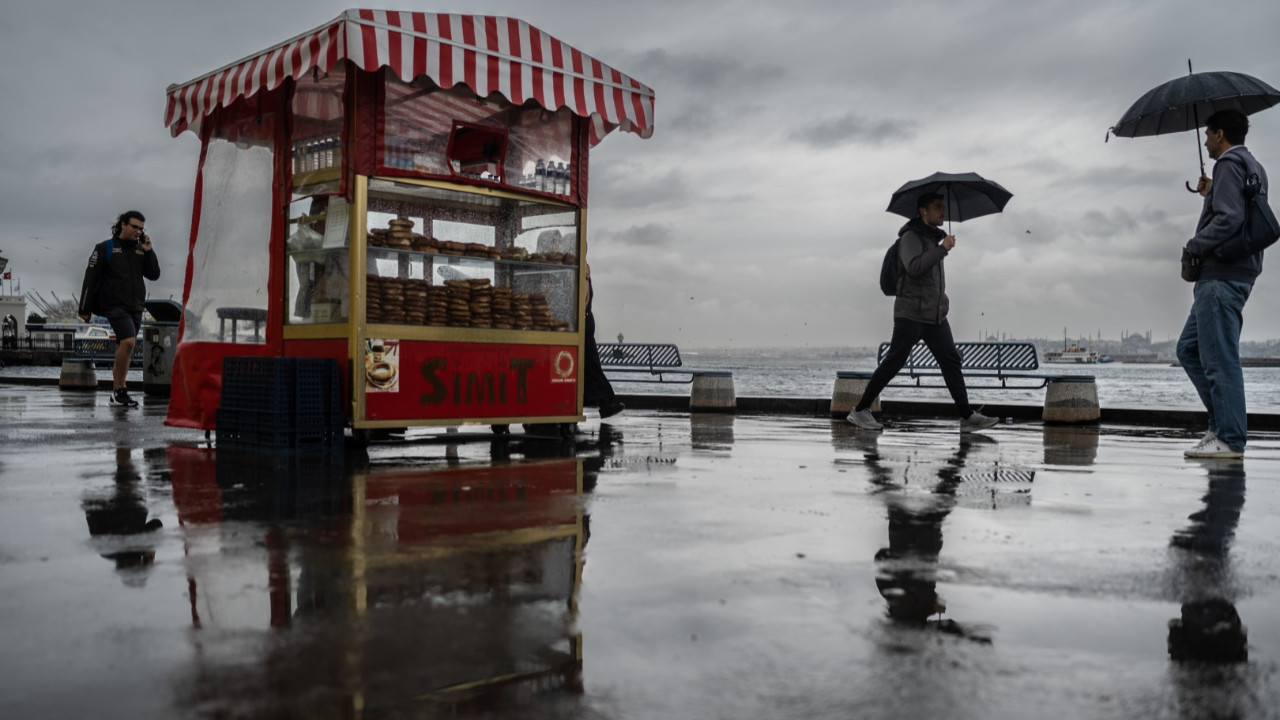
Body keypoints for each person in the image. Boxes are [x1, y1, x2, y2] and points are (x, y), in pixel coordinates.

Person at [847, 192, 997, 432]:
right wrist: (943, 249)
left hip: (935, 316)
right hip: (911, 314)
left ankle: (967, 416)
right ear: (923, 211)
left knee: (951, 360)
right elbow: (914, 267)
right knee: (894, 361)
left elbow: (931, 279)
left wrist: (942, 299)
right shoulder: (910, 237)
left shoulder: (932, 239)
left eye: (943, 207)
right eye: (937, 207)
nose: (942, 211)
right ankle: (860, 410)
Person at [1177, 109, 1268, 459]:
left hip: (1220, 276)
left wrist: (1194, 245)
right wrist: (1212, 194)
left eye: (1207, 135)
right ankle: (1220, 426)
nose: (1204, 142)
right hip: (1238, 273)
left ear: (1219, 134)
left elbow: (1230, 218)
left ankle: (1229, 438)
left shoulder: (1228, 164)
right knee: (1188, 349)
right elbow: (1240, 210)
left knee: (1220, 359)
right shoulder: (1253, 166)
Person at [78, 210, 160, 408]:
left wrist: (149, 251)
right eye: (134, 227)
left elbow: (154, 274)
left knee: (123, 347)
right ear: (123, 224)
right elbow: (90, 278)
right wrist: (84, 308)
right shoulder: (105, 248)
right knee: (129, 342)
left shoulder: (140, 250)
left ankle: (119, 391)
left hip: (136, 305)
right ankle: (119, 391)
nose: (138, 231)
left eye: (141, 229)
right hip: (113, 304)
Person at [582, 263, 624, 419]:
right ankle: (605, 401)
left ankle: (605, 401)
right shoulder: (583, 276)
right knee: (591, 365)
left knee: (591, 365)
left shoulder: (582, 277)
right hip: (584, 324)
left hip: (584, 325)